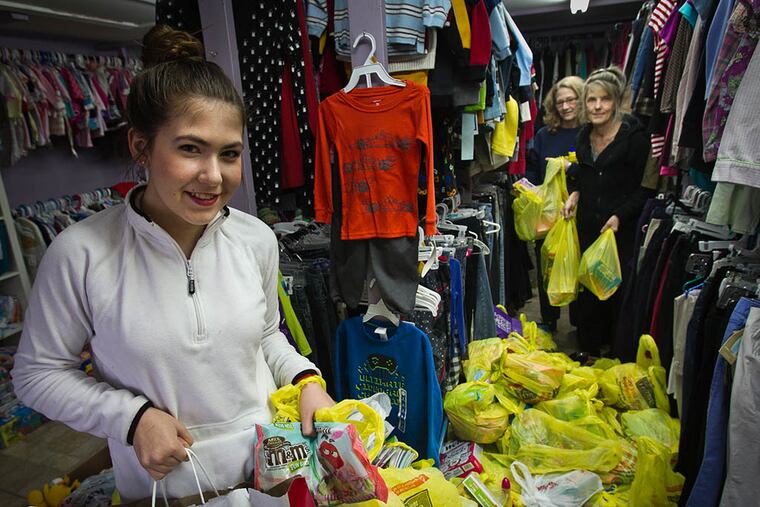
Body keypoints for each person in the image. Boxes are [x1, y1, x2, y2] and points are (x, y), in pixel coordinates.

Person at [11, 26, 334, 501]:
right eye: (189, 149)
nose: (213, 176)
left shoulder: (255, 239)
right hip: (169, 491)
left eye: (229, 154)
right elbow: (37, 374)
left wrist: (306, 379)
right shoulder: (81, 253)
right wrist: (132, 418)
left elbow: (265, 336)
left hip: (273, 478)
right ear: (141, 147)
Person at [561, 66, 652, 356]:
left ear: (615, 102)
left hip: (619, 231)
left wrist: (620, 216)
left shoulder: (635, 139)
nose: (598, 106)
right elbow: (583, 175)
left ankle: (616, 356)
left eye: (605, 99)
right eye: (591, 100)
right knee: (587, 289)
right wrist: (574, 193)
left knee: (616, 292)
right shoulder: (583, 136)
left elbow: (645, 189)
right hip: (588, 226)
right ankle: (588, 353)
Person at [526, 76, 585, 332]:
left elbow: (593, 171)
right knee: (546, 266)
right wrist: (528, 189)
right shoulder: (544, 134)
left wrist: (570, 169)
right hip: (548, 213)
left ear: (581, 99)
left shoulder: (589, 133)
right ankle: (549, 320)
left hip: (578, 210)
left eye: (571, 99)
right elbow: (532, 170)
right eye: (560, 101)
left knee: (576, 266)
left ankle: (578, 322)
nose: (565, 106)